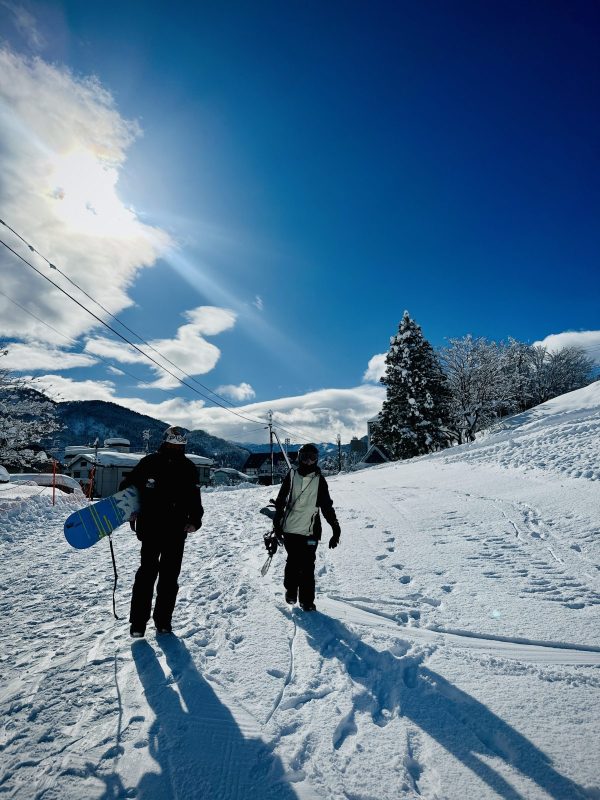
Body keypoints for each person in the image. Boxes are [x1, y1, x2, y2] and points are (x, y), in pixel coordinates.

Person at [121, 426, 203, 637]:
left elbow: (194, 498)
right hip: (150, 528)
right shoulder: (149, 462)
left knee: (169, 578)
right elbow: (128, 485)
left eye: (180, 444)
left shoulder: (188, 467)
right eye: (173, 443)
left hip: (176, 530)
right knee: (146, 575)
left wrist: (195, 520)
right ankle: (138, 623)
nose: (176, 447)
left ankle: (163, 621)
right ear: (165, 442)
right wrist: (127, 509)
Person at [273, 443, 341, 611]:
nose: (309, 461)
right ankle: (290, 590)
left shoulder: (320, 480)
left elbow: (326, 506)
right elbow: (281, 500)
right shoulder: (292, 474)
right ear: (299, 457)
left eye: (313, 457)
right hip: (290, 529)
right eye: (305, 457)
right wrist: (277, 523)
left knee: (308, 566)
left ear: (317, 459)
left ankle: (307, 601)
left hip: (310, 531)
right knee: (293, 562)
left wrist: (335, 528)